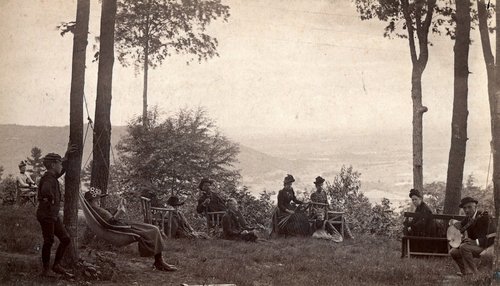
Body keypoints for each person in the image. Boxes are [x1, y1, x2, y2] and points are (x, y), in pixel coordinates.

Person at [84, 187, 178, 272]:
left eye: (99, 199)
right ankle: (159, 261)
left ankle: (159, 261)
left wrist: (119, 208)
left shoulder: (95, 210)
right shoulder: (96, 210)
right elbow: (110, 224)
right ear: (90, 201)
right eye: (96, 200)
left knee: (154, 229)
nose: (99, 202)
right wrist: (121, 211)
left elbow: (109, 220)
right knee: (154, 229)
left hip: (121, 224)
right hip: (120, 227)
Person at [36, 147, 75, 277]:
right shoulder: (48, 179)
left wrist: (66, 156)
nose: (61, 165)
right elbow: (46, 190)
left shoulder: (51, 176)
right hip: (46, 214)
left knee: (65, 239)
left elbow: (59, 173)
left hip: (52, 215)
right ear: (53, 165)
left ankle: (56, 265)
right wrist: (50, 198)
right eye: (59, 163)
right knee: (49, 240)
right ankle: (46, 270)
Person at [450, 197, 496, 277]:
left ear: (475, 207)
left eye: (469, 207)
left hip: (487, 247)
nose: (466, 210)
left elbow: (493, 237)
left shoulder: (485, 217)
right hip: (475, 247)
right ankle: (465, 273)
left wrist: (476, 242)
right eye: (464, 208)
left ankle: (475, 275)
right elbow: (460, 225)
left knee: (464, 247)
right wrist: (453, 222)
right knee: (453, 252)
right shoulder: (468, 218)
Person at [310, 176, 354, 240]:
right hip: (318, 215)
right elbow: (314, 207)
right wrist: (321, 212)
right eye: (319, 185)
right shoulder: (313, 195)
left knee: (341, 217)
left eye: (322, 185)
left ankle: (348, 236)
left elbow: (327, 204)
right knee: (330, 217)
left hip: (326, 213)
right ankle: (342, 236)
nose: (321, 187)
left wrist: (330, 210)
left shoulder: (324, 193)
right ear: (316, 186)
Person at [401, 188, 436, 257]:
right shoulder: (419, 208)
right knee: (406, 230)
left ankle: (411, 253)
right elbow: (415, 220)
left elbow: (423, 222)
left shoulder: (424, 208)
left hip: (427, 232)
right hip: (423, 230)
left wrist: (412, 227)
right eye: (412, 200)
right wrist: (408, 224)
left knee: (408, 232)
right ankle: (408, 253)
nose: (414, 201)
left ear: (420, 198)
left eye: (415, 199)